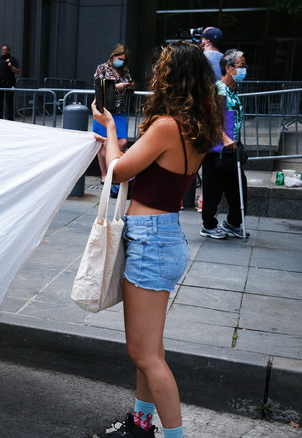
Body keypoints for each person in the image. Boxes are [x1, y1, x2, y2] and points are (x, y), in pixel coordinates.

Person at [91, 41, 224, 438]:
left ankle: (172, 434)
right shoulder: (198, 126)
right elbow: (129, 170)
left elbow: (120, 170)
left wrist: (111, 128)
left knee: (144, 354)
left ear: (172, 77)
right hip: (162, 236)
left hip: (152, 241)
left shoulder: (168, 125)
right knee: (152, 349)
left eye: (162, 69)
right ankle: (142, 424)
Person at [200, 49, 250, 240]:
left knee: (238, 188)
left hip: (232, 148)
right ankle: (208, 225)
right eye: (241, 65)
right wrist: (224, 137)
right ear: (229, 68)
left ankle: (233, 223)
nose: (245, 69)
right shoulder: (218, 89)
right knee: (213, 189)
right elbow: (210, 118)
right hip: (217, 150)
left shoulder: (232, 91)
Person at [93, 44, 135, 184]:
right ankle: (104, 174)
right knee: (103, 142)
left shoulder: (124, 71)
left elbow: (129, 91)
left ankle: (116, 169)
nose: (120, 61)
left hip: (119, 110)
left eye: (123, 59)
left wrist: (130, 87)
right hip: (104, 110)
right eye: (119, 58)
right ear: (113, 55)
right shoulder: (102, 68)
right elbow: (99, 86)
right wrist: (118, 87)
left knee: (122, 142)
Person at [0, 45, 20, 120]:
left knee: (9, 102)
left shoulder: (13, 59)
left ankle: (10, 119)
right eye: (2, 49)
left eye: (5, 49)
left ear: (8, 51)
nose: (3, 51)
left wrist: (11, 66)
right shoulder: (0, 60)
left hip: (8, 83)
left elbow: (17, 71)